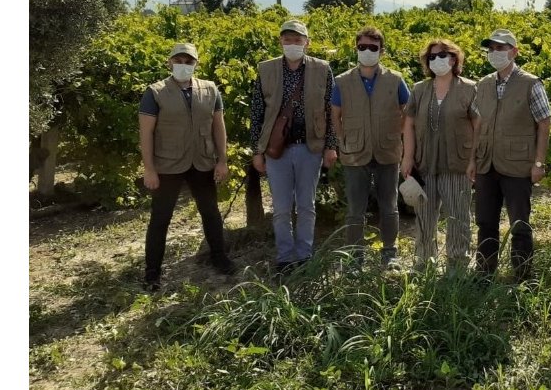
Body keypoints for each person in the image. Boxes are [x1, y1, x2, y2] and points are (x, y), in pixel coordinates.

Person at [138, 43, 236, 291]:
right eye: (178, 60)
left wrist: (222, 160)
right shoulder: (156, 92)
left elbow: (218, 127)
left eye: (188, 61)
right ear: (169, 62)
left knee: (210, 212)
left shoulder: (210, 89)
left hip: (202, 160)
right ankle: (152, 273)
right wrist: (149, 169)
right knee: (160, 219)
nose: (183, 64)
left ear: (196, 64)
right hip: (168, 163)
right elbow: (146, 133)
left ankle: (219, 257)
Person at [248, 19, 338, 273]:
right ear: (280, 42)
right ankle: (286, 257)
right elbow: (257, 112)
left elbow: (331, 110)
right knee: (281, 207)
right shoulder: (266, 70)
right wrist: (257, 150)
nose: (292, 44)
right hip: (277, 149)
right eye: (288, 39)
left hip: (310, 147)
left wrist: (331, 145)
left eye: (298, 40)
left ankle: (305, 254)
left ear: (307, 43)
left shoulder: (323, 69)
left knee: (307, 204)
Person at [473, 29, 551, 283]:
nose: (495, 53)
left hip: (518, 166)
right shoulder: (483, 84)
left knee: (519, 224)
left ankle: (523, 276)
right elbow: (477, 125)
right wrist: (473, 160)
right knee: (485, 222)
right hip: (487, 163)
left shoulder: (531, 83)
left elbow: (544, 123)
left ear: (514, 52)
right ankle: (484, 274)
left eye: (501, 48)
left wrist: (539, 162)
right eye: (492, 49)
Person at [331, 26, 411, 267]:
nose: (367, 51)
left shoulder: (395, 79)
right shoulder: (342, 81)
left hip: (388, 150)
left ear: (381, 51)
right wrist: (342, 140)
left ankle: (390, 253)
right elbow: (334, 115)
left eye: (372, 48)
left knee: (389, 205)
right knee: (356, 208)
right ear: (356, 49)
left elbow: (407, 111)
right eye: (362, 47)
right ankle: (355, 257)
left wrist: (398, 132)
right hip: (354, 152)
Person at [402, 39, 480, 270]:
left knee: (458, 217)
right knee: (424, 218)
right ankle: (424, 265)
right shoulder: (420, 89)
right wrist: (407, 157)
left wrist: (474, 159)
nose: (437, 60)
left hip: (458, 163)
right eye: (432, 57)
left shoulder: (469, 88)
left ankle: (457, 267)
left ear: (454, 58)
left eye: (442, 55)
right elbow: (409, 125)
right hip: (424, 164)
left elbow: (478, 126)